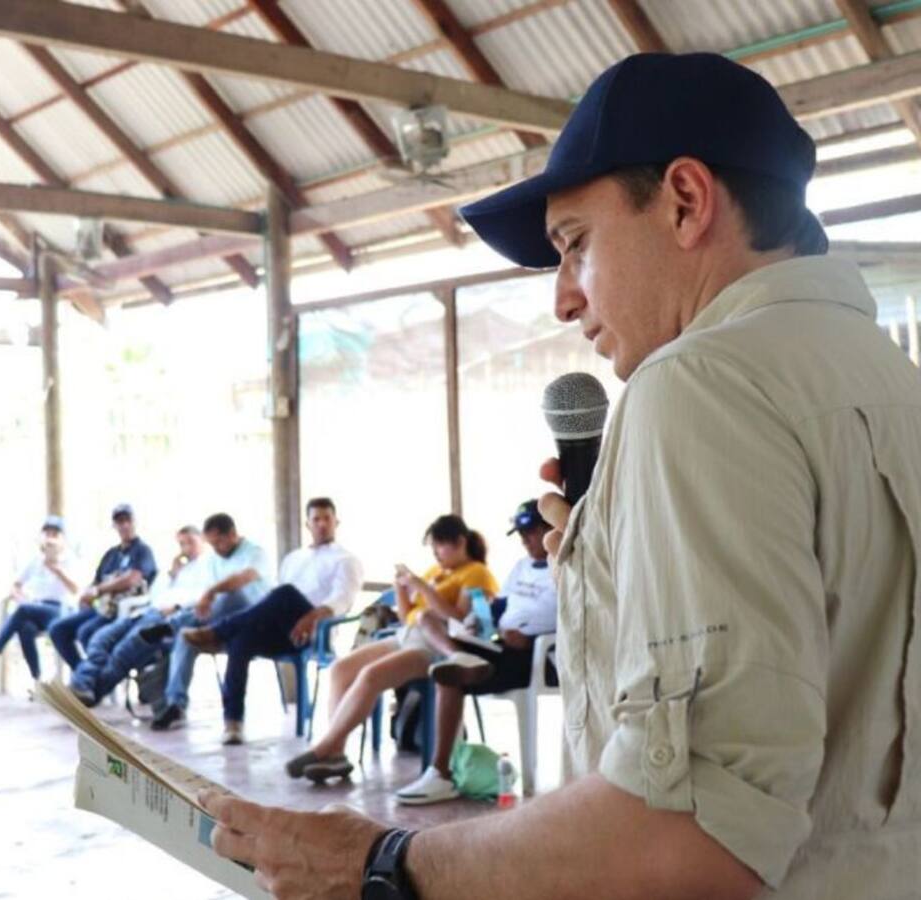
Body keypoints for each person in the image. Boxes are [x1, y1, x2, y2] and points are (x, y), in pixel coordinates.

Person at [201, 53, 921, 899]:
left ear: (686, 201)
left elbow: (691, 834)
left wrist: (382, 864)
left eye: (576, 245)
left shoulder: (697, 384)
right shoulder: (889, 377)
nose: (564, 301)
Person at [283, 513, 498, 783]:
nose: (436, 554)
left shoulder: (477, 572)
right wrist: (400, 587)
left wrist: (421, 587)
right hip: (405, 634)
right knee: (341, 668)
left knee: (371, 676)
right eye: (432, 548)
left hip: (434, 643)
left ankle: (324, 748)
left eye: (440, 546)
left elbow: (458, 617)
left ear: (459, 542)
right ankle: (335, 754)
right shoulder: (437, 572)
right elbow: (407, 613)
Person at [395, 500, 555, 805]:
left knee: (450, 676)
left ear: (549, 528)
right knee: (438, 642)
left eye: (530, 532)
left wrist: (528, 632)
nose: (524, 539)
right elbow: (499, 605)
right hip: (500, 644)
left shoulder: (565, 565)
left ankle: (440, 773)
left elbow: (567, 612)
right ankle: (459, 654)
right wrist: (477, 623)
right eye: (520, 533)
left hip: (533, 652)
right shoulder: (522, 566)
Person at [181, 497, 364, 746]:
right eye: (316, 519)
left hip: (316, 631)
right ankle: (233, 723)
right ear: (308, 524)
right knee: (241, 639)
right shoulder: (294, 558)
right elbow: (274, 604)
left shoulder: (346, 560)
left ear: (336, 522)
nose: (322, 524)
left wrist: (312, 616)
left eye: (327, 519)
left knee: (285, 593)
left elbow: (342, 599)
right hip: (283, 631)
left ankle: (216, 632)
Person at [143, 513, 274, 733]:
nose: (216, 548)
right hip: (219, 625)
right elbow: (205, 601)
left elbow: (242, 579)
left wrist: (212, 592)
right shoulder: (213, 560)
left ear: (233, 534)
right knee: (186, 635)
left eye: (219, 542)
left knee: (232, 593)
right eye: (211, 544)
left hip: (253, 620)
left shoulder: (255, 553)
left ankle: (170, 626)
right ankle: (175, 703)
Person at [67, 524, 212, 708]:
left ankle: (90, 694)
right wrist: (172, 575)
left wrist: (177, 607)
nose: (186, 548)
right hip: (147, 611)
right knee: (101, 638)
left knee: (124, 650)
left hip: (170, 617)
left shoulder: (210, 564)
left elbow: (207, 597)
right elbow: (154, 594)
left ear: (202, 540)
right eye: (182, 544)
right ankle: (83, 683)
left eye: (190, 542)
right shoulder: (180, 569)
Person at [0, 516, 78, 687]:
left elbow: (76, 589)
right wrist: (21, 598)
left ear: (62, 538)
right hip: (34, 608)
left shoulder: (69, 560)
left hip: (59, 611)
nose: (50, 538)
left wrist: (57, 570)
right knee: (25, 627)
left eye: (55, 533)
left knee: (23, 612)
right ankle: (37, 680)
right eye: (47, 533)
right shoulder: (34, 561)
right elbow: (15, 586)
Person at [48, 503, 157, 669]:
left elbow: (133, 579)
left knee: (86, 632)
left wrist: (99, 590)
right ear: (114, 525)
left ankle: (95, 679)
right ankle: (84, 675)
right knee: (58, 629)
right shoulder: (111, 554)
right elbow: (95, 582)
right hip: (101, 608)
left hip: (125, 612)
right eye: (120, 521)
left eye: (128, 520)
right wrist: (87, 595)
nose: (124, 525)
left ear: (134, 522)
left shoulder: (143, 550)